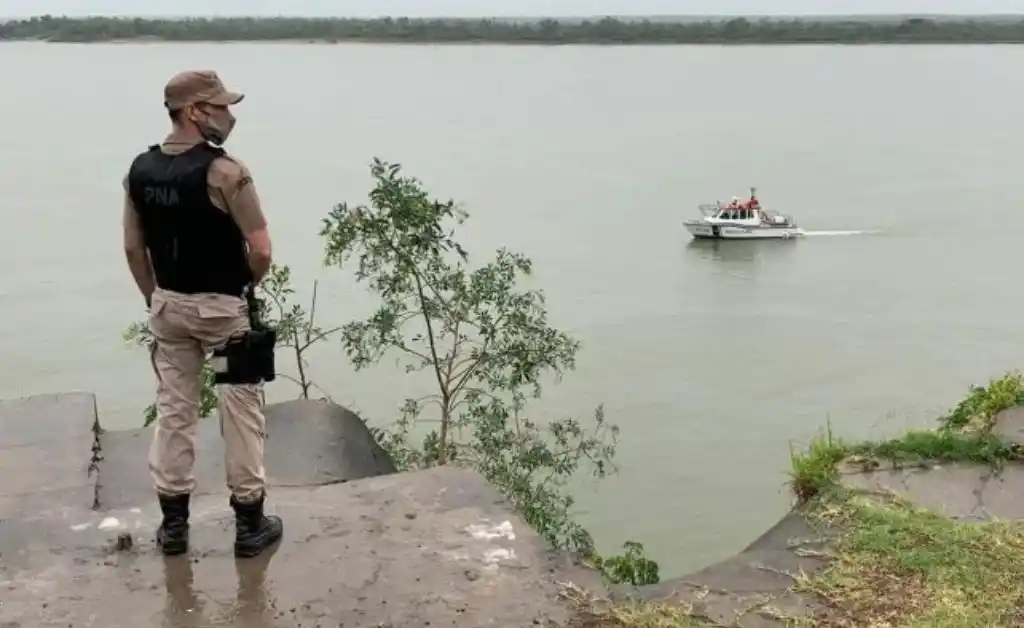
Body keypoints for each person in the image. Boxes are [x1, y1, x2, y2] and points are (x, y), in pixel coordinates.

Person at [121, 70, 283, 558]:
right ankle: (249, 525)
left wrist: (157, 297)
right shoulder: (227, 172)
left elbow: (133, 249)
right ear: (194, 111)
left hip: (168, 306)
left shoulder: (139, 171)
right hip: (222, 311)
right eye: (220, 107)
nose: (229, 115)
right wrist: (241, 287)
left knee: (174, 410)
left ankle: (173, 528)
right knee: (241, 411)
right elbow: (261, 250)